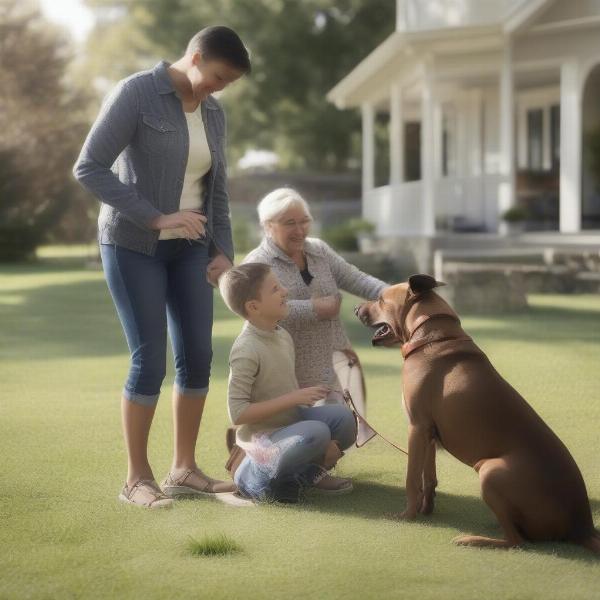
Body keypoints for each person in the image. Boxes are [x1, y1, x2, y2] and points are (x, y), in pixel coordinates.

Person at [73, 26, 250, 508]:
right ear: (194, 56)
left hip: (192, 249)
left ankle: (184, 470)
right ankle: (136, 479)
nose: (217, 89)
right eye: (215, 77)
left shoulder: (213, 113)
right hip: (133, 245)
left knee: (197, 357)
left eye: (226, 85)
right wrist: (155, 216)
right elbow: (89, 167)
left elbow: (217, 190)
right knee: (148, 361)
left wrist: (223, 250)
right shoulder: (136, 93)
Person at [243, 188, 389, 437]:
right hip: (284, 362)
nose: (300, 230)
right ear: (268, 225)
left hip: (330, 355)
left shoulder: (318, 250)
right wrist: (314, 308)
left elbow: (356, 279)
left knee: (339, 427)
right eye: (290, 223)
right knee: (294, 430)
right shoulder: (257, 262)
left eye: (304, 221)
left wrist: (396, 294)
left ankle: (322, 466)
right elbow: (257, 310)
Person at [219, 263, 357, 502]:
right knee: (318, 432)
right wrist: (294, 398)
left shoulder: (282, 335)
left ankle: (307, 473)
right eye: (275, 289)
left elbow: (280, 386)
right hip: (263, 437)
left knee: (343, 418)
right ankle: (250, 478)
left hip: (291, 423)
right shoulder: (246, 349)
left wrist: (307, 393)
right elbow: (237, 414)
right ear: (254, 307)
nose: (285, 291)